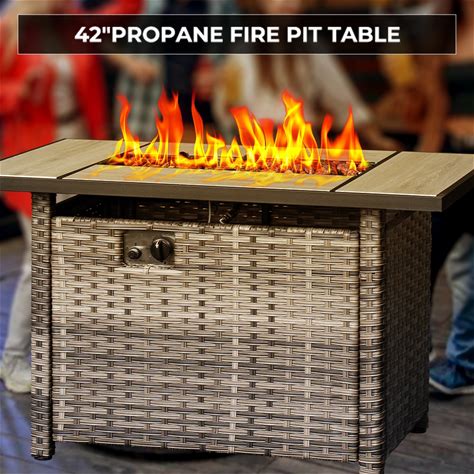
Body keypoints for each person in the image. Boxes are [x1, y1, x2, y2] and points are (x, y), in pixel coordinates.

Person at [0, 0, 108, 393]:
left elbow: (93, 94)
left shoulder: (72, 24)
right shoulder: (10, 28)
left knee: (80, 257)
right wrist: (19, 90)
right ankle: (14, 357)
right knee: (39, 261)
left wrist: (105, 152)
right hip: (34, 154)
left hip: (79, 149)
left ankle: (70, 351)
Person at [213, 0, 400, 151]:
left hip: (303, 145)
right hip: (256, 146)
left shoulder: (311, 49)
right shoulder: (242, 52)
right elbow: (226, 107)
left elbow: (343, 100)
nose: (286, 3)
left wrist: (376, 138)